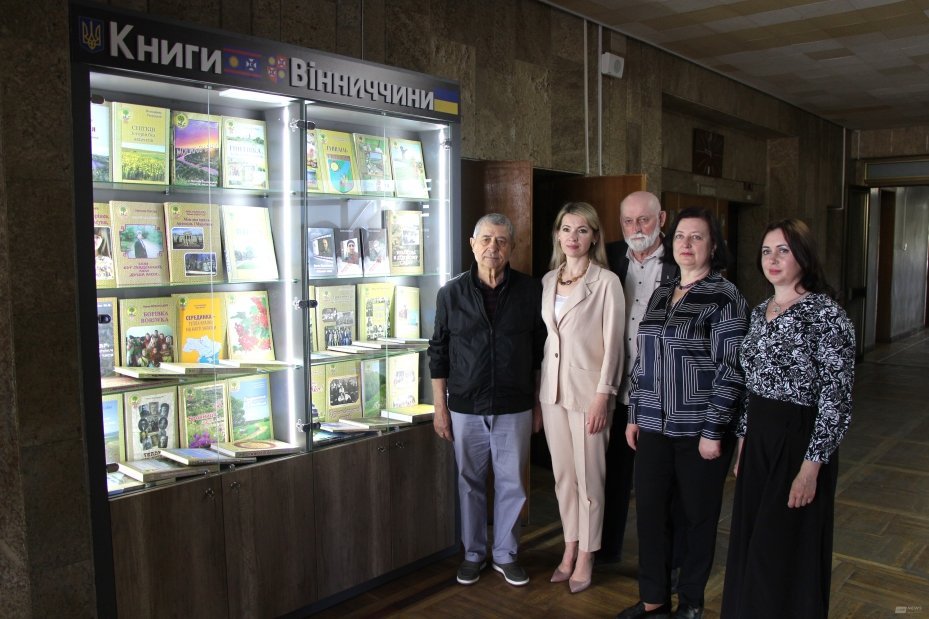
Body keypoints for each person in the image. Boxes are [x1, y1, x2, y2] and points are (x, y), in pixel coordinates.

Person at [617, 206, 748, 619]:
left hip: (699, 430)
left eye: (697, 237)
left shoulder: (726, 297)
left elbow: (732, 369)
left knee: (697, 519)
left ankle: (691, 602)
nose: (686, 244)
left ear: (714, 246)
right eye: (679, 237)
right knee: (651, 516)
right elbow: (643, 359)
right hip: (653, 424)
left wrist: (713, 430)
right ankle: (654, 599)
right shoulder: (662, 292)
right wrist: (635, 413)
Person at [721, 219, 855, 619]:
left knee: (783, 548)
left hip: (799, 441)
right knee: (751, 543)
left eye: (783, 250)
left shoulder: (827, 315)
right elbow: (751, 384)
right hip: (759, 439)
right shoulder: (759, 311)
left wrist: (812, 467)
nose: (773, 259)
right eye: (766, 251)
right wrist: (743, 443)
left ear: (803, 255)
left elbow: (836, 399)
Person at [428, 212, 545, 588]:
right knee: (469, 483)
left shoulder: (531, 291)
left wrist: (538, 404)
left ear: (511, 247)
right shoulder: (451, 293)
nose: (493, 247)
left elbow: (540, 352)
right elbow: (438, 352)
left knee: (513, 484)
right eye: (486, 239)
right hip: (465, 405)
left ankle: (506, 554)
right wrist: (440, 408)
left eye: (501, 241)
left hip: (515, 405)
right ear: (472, 244)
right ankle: (474, 553)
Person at [540, 202, 624, 593]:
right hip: (552, 392)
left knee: (590, 480)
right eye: (567, 229)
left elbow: (614, 345)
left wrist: (603, 396)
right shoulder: (548, 280)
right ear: (557, 235)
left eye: (582, 230)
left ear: (594, 237)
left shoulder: (606, 282)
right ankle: (569, 547)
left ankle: (588, 555)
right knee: (563, 478)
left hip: (589, 394)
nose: (573, 237)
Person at [600, 191, 677, 564]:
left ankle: (662, 564)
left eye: (644, 220)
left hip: (661, 395)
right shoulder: (610, 257)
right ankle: (606, 551)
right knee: (612, 477)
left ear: (661, 219)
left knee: (659, 486)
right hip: (616, 390)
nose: (636, 229)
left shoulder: (681, 259)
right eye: (628, 221)